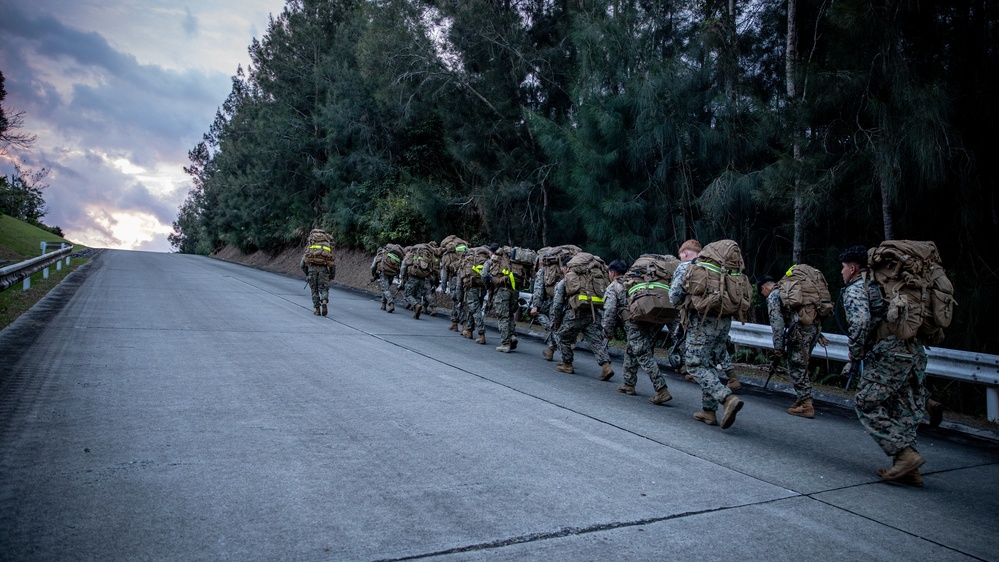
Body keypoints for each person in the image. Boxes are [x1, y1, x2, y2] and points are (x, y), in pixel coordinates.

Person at [839, 245, 927, 486]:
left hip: (890, 352)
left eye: (843, 268)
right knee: (903, 407)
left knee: (865, 402)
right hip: (914, 349)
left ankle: (904, 455)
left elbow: (860, 322)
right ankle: (909, 469)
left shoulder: (857, 288)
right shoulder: (887, 285)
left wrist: (856, 353)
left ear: (853, 268)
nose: (842, 273)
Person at [669, 239, 744, 429]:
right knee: (708, 363)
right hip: (724, 320)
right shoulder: (722, 267)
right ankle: (708, 411)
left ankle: (726, 398)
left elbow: (674, 296)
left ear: (685, 253)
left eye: (680, 255)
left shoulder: (687, 266)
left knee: (694, 365)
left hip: (701, 322)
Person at [603, 259, 672, 404]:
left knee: (643, 354)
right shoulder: (637, 282)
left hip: (634, 322)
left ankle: (661, 389)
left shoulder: (614, 287)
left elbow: (609, 311)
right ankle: (629, 384)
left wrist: (607, 331)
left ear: (612, 272)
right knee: (631, 350)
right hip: (653, 321)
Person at [758, 275, 822, 418]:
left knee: (796, 364)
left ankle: (806, 404)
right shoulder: (788, 290)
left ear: (763, 288)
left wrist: (778, 346)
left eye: (762, 293)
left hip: (801, 331)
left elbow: (777, 323)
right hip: (814, 327)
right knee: (802, 363)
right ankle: (801, 397)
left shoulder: (774, 296)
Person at [551, 255, 614, 379]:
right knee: (596, 341)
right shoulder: (591, 277)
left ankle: (567, 364)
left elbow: (557, 302)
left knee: (563, 337)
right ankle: (606, 367)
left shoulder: (567, 279)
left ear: (566, 268)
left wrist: (557, 319)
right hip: (593, 314)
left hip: (575, 314)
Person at [481, 244, 521, 353]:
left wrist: (488, 287)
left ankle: (505, 344)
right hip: (515, 291)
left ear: (491, 252)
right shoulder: (512, 260)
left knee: (503, 317)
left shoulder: (493, 261)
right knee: (509, 315)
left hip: (502, 291)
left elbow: (484, 275)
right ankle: (512, 336)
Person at [529, 251, 559, 361]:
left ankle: (556, 343)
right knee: (556, 323)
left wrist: (535, 306)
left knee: (539, 314)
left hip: (552, 301)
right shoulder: (560, 270)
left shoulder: (543, 271)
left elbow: (538, 290)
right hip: (563, 302)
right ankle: (550, 350)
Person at [300, 230, 335, 316]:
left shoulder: (310, 246)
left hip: (312, 270)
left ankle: (317, 310)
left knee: (314, 290)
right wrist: (331, 276)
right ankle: (324, 300)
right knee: (324, 289)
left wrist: (307, 273)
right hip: (324, 270)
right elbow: (332, 264)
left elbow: (302, 264)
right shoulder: (327, 246)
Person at [370, 246, 396, 313]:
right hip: (392, 273)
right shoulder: (390, 256)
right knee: (385, 289)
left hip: (384, 274)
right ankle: (383, 304)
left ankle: (391, 303)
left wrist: (373, 275)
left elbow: (373, 267)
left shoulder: (379, 256)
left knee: (385, 289)